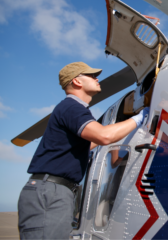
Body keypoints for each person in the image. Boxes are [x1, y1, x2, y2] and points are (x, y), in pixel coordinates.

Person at [18, 61, 149, 240]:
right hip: (51, 192)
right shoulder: (72, 107)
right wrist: (140, 118)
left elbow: (93, 143)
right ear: (77, 82)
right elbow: (103, 136)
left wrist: (118, 131)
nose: (97, 79)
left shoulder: (72, 109)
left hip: (56, 190)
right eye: (91, 76)